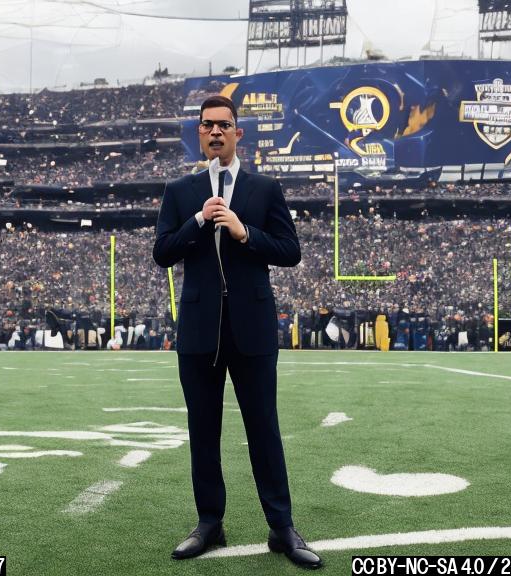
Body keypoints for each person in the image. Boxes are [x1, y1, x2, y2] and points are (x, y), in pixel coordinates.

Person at [153, 95, 321, 569]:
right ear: (198, 132)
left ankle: (282, 527)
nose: (215, 133)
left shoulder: (263, 188)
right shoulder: (181, 190)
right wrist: (199, 221)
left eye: (224, 125)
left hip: (252, 328)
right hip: (199, 330)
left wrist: (245, 233)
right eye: (207, 125)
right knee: (203, 431)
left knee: (263, 428)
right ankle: (210, 523)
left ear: (237, 133)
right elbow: (162, 252)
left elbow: (290, 250)